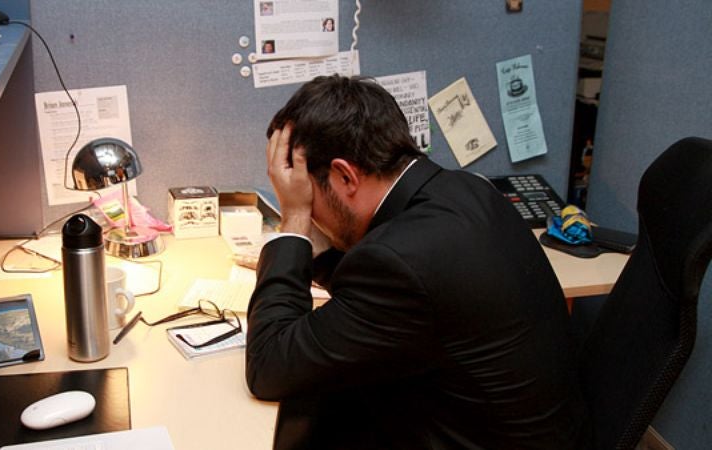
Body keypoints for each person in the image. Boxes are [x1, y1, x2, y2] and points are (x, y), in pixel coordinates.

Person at [246, 75, 589, 449]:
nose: (311, 213)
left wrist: (294, 220)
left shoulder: (398, 262)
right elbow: (378, 283)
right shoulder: (465, 190)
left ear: (345, 176)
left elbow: (269, 367)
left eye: (311, 197)